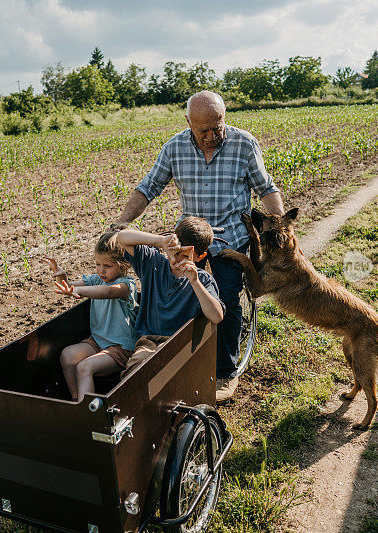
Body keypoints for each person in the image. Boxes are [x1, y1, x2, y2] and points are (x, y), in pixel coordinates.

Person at [115, 90, 285, 402]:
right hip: (190, 237)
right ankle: (181, 358)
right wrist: (122, 221)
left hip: (230, 237)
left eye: (216, 128)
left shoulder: (244, 144)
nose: (209, 136)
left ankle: (224, 371)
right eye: (202, 130)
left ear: (225, 118)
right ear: (188, 123)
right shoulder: (175, 147)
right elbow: (148, 187)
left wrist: (281, 225)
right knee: (183, 298)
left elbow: (266, 188)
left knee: (228, 301)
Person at [115, 217, 224, 373]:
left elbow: (216, 316)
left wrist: (195, 282)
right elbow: (122, 237)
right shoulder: (153, 263)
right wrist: (161, 241)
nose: (176, 258)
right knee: (137, 371)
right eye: (175, 251)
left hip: (181, 346)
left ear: (200, 257)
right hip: (149, 342)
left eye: (184, 255)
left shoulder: (203, 280)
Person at [43, 232, 138, 402]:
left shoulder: (127, 284)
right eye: (98, 264)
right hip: (98, 341)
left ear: (122, 264)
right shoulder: (96, 280)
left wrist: (78, 291)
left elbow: (109, 292)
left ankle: (88, 415)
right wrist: (61, 275)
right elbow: (69, 286)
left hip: (121, 347)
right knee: (68, 356)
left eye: (107, 266)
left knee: (84, 367)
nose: (101, 270)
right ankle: (76, 400)